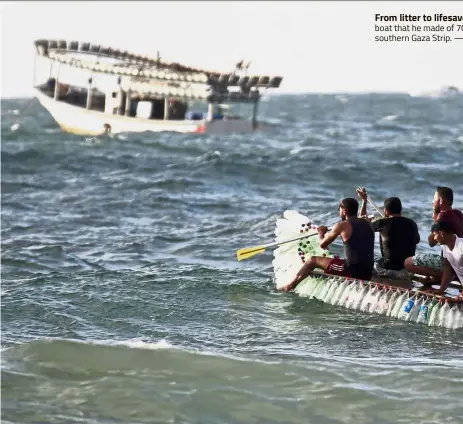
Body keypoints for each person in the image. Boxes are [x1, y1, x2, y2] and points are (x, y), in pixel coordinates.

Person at [280, 198, 374, 292]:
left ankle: (289, 286)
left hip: (351, 270)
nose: (339, 212)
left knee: (312, 260)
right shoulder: (368, 223)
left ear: (344, 211)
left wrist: (321, 233)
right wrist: (364, 201)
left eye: (339, 210)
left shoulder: (342, 225)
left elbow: (323, 244)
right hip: (368, 271)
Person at [356, 188, 420, 279]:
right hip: (407, 270)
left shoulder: (382, 223)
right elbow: (417, 240)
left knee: (370, 260)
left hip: (388, 270)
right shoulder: (412, 223)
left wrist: (364, 201)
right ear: (400, 210)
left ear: (386, 211)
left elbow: (360, 225)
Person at [404, 186, 463, 281]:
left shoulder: (442, 216)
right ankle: (444, 276)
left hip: (449, 265)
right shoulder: (458, 213)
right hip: (459, 262)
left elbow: (431, 243)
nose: (432, 202)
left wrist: (436, 221)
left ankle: (441, 277)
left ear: (440, 201)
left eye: (434, 199)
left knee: (408, 262)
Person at [429, 220, 463, 297]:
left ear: (441, 233)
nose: (434, 238)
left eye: (435, 235)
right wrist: (441, 290)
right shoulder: (444, 246)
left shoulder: (461, 246)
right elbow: (447, 268)